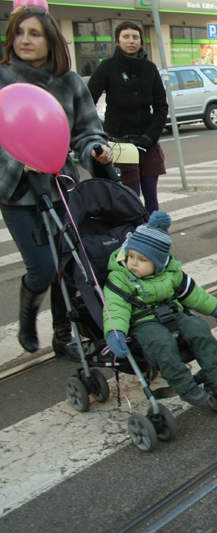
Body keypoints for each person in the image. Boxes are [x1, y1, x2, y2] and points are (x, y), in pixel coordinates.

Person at [0, 5, 113, 359]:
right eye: (19, 33)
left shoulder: (70, 82)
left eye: (34, 33)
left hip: (59, 187)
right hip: (15, 192)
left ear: (50, 40)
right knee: (43, 268)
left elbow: (87, 130)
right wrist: (20, 159)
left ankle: (64, 334)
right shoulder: (2, 78)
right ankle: (28, 316)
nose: (25, 40)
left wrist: (96, 149)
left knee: (67, 265)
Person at [102, 211, 217, 406]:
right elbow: (115, 309)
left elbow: (193, 293)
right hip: (143, 322)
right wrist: (116, 334)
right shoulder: (120, 278)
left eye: (142, 259)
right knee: (163, 345)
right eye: (131, 256)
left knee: (200, 330)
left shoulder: (170, 272)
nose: (133, 263)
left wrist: (214, 308)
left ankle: (215, 376)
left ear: (157, 263)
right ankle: (184, 385)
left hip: (173, 313)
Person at [88, 21, 168, 215]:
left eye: (135, 37)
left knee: (151, 193)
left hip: (147, 142)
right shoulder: (107, 67)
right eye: (126, 37)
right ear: (118, 41)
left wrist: (150, 135)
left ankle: (153, 235)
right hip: (120, 142)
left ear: (141, 41)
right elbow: (86, 101)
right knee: (130, 196)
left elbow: (161, 106)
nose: (131, 41)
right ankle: (131, 236)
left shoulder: (150, 68)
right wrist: (98, 133)